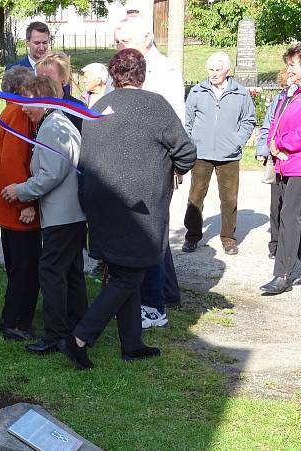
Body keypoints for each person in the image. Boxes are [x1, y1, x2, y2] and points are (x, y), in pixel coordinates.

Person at [58, 49, 196, 370]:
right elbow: (186, 153)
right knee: (129, 275)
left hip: (100, 204)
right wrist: (170, 170)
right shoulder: (155, 105)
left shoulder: (98, 107)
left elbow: (86, 159)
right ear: (142, 75)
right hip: (138, 210)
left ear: (113, 75)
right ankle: (78, 338)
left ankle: (131, 344)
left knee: (124, 272)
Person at [0, 75, 88, 355]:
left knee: (51, 272)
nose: (24, 108)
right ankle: (77, 325)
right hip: (71, 213)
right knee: (71, 272)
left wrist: (22, 191)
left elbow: (51, 173)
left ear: (41, 98)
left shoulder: (52, 127)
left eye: (28, 101)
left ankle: (55, 334)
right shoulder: (58, 121)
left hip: (62, 215)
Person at [112, 12, 184, 327]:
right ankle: (164, 292)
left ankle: (153, 303)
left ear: (146, 39)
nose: (118, 46)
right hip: (127, 164)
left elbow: (171, 124)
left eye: (123, 41)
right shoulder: (126, 67)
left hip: (152, 166)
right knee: (145, 234)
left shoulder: (164, 71)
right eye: (116, 41)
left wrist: (171, 169)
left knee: (149, 234)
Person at [0, 66, 41, 341]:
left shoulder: (9, 110)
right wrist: (24, 202)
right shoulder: (19, 113)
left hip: (9, 203)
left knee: (19, 265)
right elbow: (14, 160)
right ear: (23, 90)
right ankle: (15, 321)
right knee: (25, 267)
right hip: (16, 205)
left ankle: (12, 318)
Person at [182, 52, 256, 256]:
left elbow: (249, 120)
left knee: (229, 198)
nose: (213, 74)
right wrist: (190, 145)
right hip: (201, 153)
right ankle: (192, 236)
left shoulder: (241, 93)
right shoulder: (197, 91)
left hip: (229, 155)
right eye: (210, 70)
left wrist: (237, 141)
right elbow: (187, 122)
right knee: (195, 196)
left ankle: (228, 238)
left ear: (227, 71)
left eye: (217, 70)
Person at [259, 44, 301, 295]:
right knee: (286, 215)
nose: (289, 69)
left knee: (290, 218)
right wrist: (272, 144)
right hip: (284, 163)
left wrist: (281, 142)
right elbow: (276, 120)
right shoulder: (290, 95)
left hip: (297, 166)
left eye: (293, 64)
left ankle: (282, 275)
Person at [256, 68, 296, 260]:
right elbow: (269, 124)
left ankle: (289, 246)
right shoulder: (280, 99)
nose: (289, 80)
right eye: (286, 78)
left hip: (291, 156)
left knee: (291, 207)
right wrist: (263, 150)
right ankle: (275, 243)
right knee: (276, 203)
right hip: (275, 156)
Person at [35, 52, 84, 131]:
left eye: (48, 79)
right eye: (39, 78)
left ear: (63, 78)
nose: (42, 83)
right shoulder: (33, 107)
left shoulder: (77, 110)